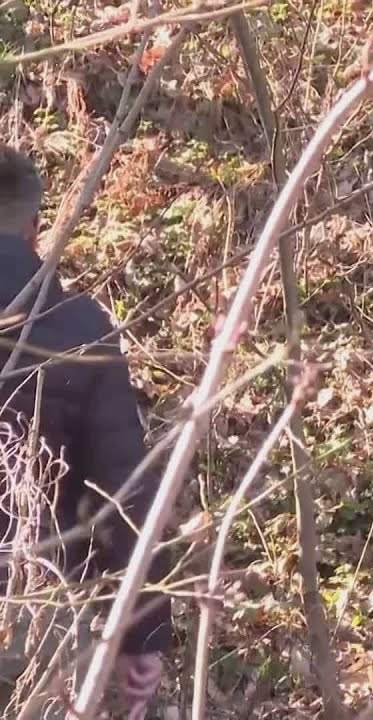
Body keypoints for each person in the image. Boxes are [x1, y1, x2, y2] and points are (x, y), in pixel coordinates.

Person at [0, 146, 171, 717]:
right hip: (33, 602)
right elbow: (124, 489)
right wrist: (143, 631)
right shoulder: (77, 328)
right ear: (36, 227)